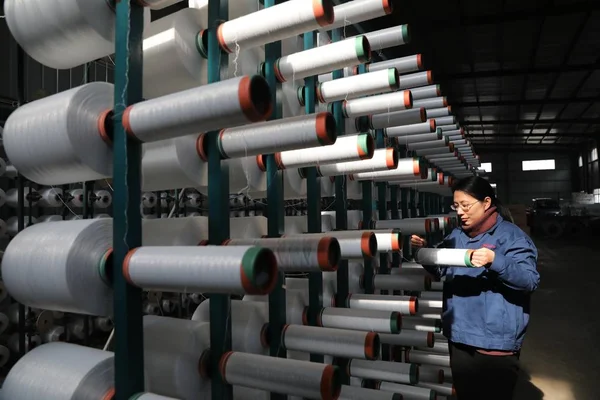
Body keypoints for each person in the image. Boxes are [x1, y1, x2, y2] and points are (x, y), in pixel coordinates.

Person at [410, 176, 540, 400]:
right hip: (460, 339)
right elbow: (442, 271)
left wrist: (495, 260)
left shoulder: (511, 238)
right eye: (456, 206)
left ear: (487, 202)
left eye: (466, 205)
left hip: (494, 345)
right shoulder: (457, 236)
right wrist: (426, 253)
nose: (460, 212)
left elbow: (529, 280)